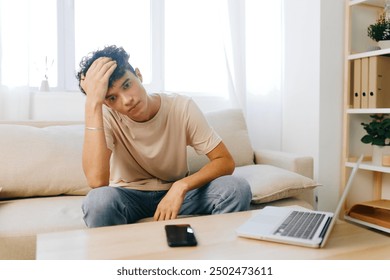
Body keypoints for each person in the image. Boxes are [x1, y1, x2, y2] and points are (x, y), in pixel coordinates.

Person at [76, 45, 252, 228]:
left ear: (139, 75)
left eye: (127, 85)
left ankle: (222, 251)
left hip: (177, 193)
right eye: (112, 98)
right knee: (98, 201)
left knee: (236, 188)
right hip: (128, 196)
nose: (127, 100)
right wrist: (92, 104)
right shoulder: (105, 115)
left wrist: (181, 186)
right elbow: (97, 181)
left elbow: (225, 161)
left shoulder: (181, 107)